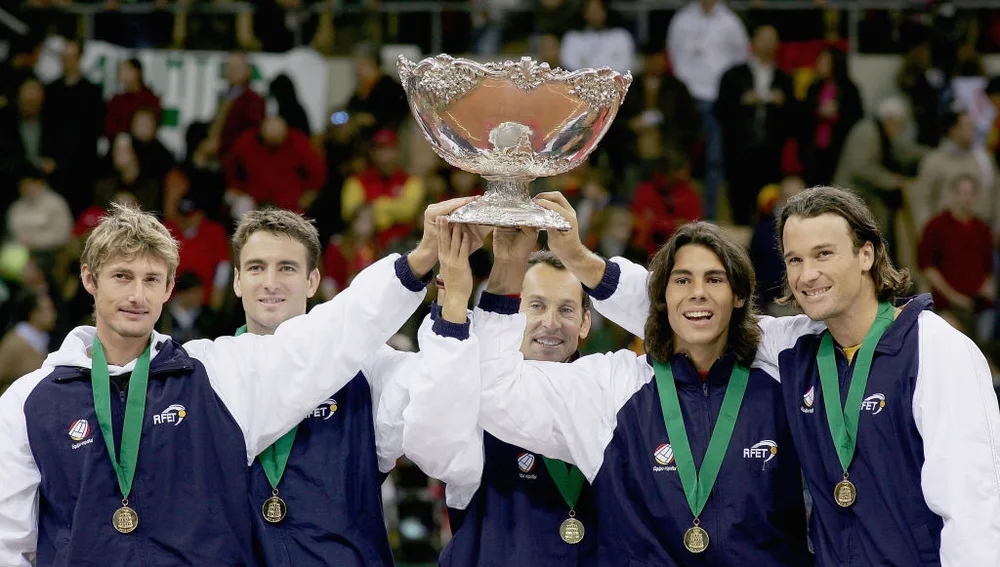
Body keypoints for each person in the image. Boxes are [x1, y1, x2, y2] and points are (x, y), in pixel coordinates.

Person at [0, 200, 443, 565]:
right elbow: (9, 541)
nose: (137, 295)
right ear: (89, 279)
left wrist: (418, 263)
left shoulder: (209, 373)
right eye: (122, 277)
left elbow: (326, 336)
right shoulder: (28, 401)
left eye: (151, 279)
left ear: (169, 289)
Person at [440, 198, 813, 564]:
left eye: (714, 280)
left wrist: (579, 258)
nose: (698, 292)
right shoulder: (612, 386)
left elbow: (836, 325)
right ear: (661, 297)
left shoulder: (783, 374)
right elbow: (495, 390)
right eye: (682, 280)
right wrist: (507, 268)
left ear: (739, 295)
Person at [233, 205, 484, 566]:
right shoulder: (211, 374)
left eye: (287, 268)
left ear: (312, 281)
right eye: (256, 268)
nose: (270, 282)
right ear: (237, 280)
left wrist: (453, 304)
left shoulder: (366, 369)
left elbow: (436, 400)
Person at [765, 187, 1000, 565]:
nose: (807, 275)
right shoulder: (796, 349)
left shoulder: (935, 349)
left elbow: (973, 513)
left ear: (866, 254)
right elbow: (703, 323)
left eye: (823, 254)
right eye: (795, 259)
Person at [429, 241, 603, 567]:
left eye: (566, 309)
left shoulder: (610, 396)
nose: (551, 322)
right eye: (536, 306)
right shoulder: (474, 391)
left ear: (584, 322)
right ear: (512, 316)